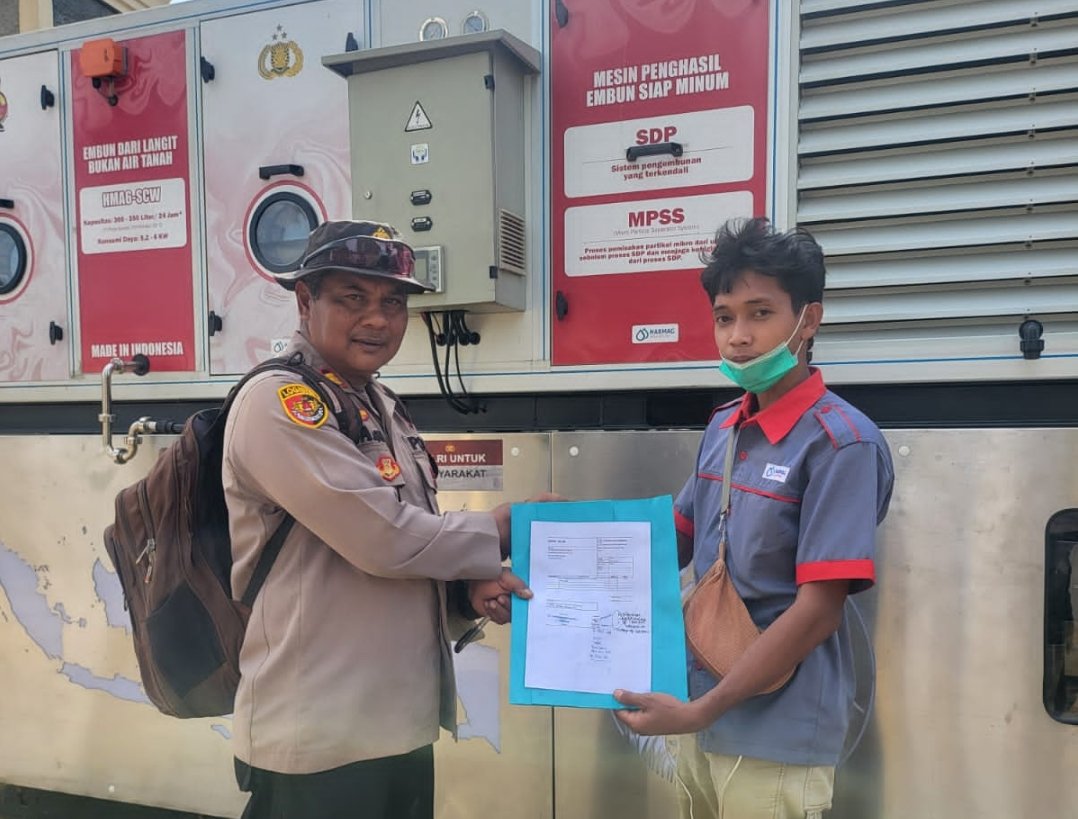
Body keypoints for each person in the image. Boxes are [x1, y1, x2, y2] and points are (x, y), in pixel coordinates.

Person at [222, 219, 533, 819]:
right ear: (306, 300)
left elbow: (407, 543)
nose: (378, 319)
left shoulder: (377, 402)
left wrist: (467, 589)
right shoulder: (279, 403)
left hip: (397, 727)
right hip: (320, 739)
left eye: (393, 303)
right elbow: (384, 540)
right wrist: (502, 528)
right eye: (353, 298)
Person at [614, 217, 894, 819]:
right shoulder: (725, 426)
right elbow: (671, 542)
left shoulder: (841, 444)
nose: (738, 337)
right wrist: (552, 545)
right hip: (695, 712)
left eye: (760, 313)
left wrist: (702, 711)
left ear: (808, 320)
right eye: (724, 317)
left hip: (774, 734)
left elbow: (817, 611)